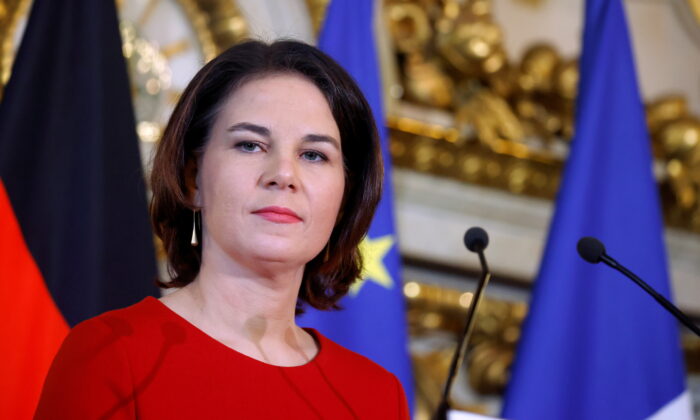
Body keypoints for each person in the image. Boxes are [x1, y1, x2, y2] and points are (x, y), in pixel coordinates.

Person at [34, 40, 410, 419]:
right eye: (250, 145)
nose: (283, 174)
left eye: (314, 154)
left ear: (345, 196)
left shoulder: (377, 397)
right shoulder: (111, 355)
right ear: (193, 178)